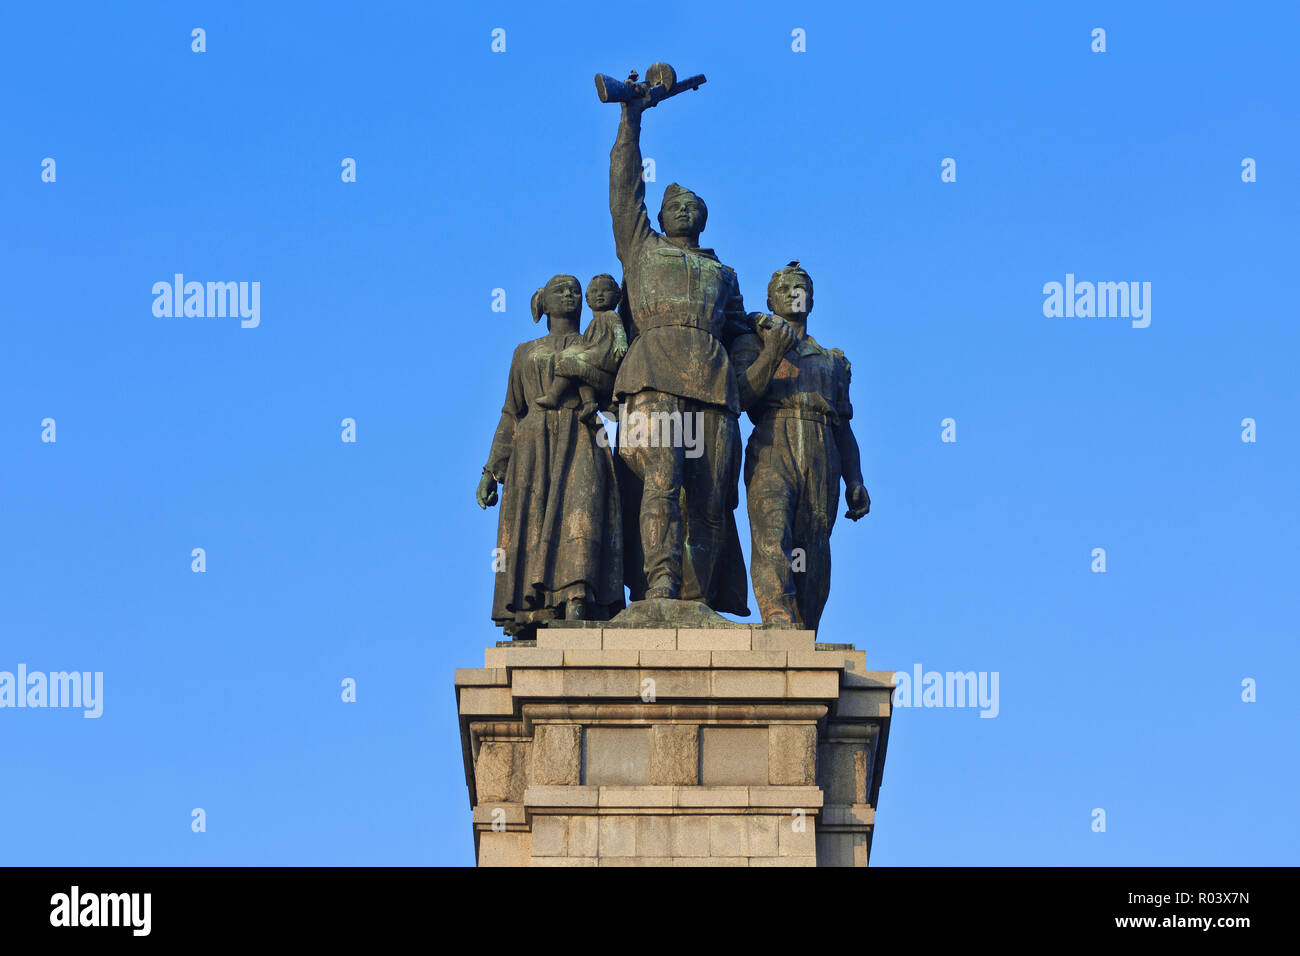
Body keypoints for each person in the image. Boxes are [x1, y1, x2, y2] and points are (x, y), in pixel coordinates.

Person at [606, 88, 750, 612]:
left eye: (692, 205)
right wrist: (632, 117)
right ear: (661, 216)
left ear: (704, 218)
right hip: (651, 378)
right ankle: (661, 585)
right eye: (674, 205)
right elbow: (625, 189)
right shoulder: (640, 248)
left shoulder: (723, 274)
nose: (683, 210)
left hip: (714, 386)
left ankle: (695, 599)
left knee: (713, 501)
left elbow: (742, 340)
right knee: (662, 481)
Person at [476, 274, 624, 632]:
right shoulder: (525, 351)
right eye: (560, 289)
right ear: (543, 302)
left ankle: (578, 599)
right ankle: (532, 609)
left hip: (582, 436)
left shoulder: (595, 341)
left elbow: (611, 391)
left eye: (575, 289)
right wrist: (492, 469)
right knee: (534, 521)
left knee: (581, 514)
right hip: (532, 445)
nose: (570, 294)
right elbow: (511, 411)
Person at [731, 262, 870, 631]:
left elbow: (845, 426)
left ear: (812, 299)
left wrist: (854, 479)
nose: (795, 292)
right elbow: (743, 396)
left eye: (802, 287)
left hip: (822, 447)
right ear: (771, 299)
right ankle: (778, 619)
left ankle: (804, 630)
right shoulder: (752, 343)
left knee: (812, 547)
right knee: (773, 532)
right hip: (772, 441)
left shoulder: (833, 361)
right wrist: (773, 349)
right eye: (786, 288)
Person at [535, 274, 628, 422]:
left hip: (603, 356)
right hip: (595, 356)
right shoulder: (592, 325)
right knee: (579, 373)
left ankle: (553, 396)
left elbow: (618, 331)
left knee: (571, 364)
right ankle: (589, 403)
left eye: (605, 291)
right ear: (588, 300)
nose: (600, 295)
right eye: (595, 292)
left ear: (617, 297)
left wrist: (621, 342)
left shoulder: (610, 316)